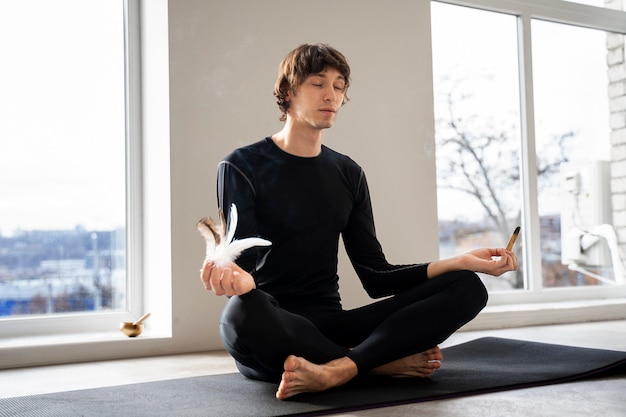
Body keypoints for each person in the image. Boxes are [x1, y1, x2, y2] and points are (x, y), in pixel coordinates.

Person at [200, 43, 518, 400]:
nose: (331, 95)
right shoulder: (242, 165)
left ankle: (341, 368)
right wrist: (231, 276)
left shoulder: (348, 173)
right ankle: (377, 364)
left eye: (339, 86)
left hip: (333, 328)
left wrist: (458, 262)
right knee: (244, 311)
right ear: (288, 91)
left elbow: (376, 276)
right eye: (318, 83)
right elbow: (239, 262)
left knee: (466, 286)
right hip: (273, 321)